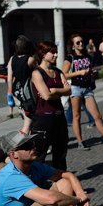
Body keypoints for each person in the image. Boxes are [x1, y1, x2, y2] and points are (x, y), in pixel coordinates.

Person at [63, 34, 103, 149]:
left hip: (87, 88)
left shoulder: (87, 56)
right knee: (76, 116)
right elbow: (64, 74)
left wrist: (92, 73)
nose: (81, 44)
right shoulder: (70, 57)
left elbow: (88, 69)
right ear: (73, 45)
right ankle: (80, 142)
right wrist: (79, 73)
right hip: (76, 88)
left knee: (97, 116)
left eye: (81, 41)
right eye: (78, 43)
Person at [30, 41, 70, 170]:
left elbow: (69, 90)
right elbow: (46, 96)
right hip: (43, 118)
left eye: (56, 52)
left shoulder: (58, 71)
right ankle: (38, 183)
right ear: (43, 54)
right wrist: (57, 92)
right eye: (52, 52)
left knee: (61, 152)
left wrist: (55, 91)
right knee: (40, 154)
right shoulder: (37, 73)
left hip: (59, 116)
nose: (56, 55)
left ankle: (61, 181)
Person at [7, 35, 35, 135]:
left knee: (26, 116)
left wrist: (11, 92)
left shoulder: (12, 59)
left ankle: (31, 140)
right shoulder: (30, 59)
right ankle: (26, 141)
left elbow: (9, 78)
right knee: (30, 119)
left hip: (16, 90)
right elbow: (37, 75)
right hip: (28, 91)